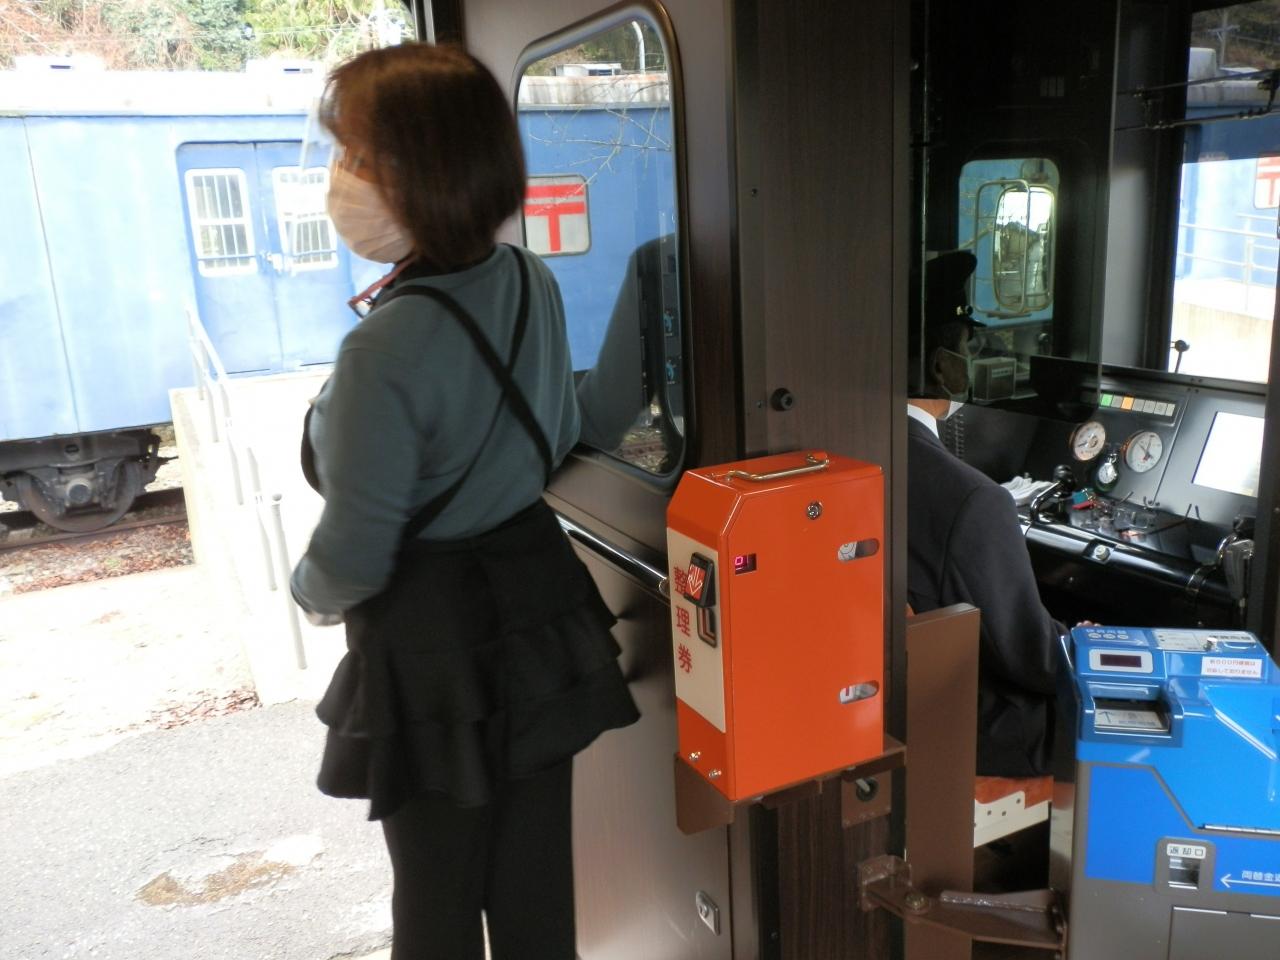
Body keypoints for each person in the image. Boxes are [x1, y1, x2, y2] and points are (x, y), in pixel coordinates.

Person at [289, 43, 640, 960]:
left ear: (428, 173)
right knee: (536, 887)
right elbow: (560, 430)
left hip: (429, 638)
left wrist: (307, 593)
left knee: (436, 899)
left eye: (357, 156)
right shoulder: (528, 279)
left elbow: (353, 552)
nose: (341, 178)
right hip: (537, 608)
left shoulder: (383, 347)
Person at [906, 250, 1062, 778]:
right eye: (968, 347)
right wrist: (1090, 643)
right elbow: (1034, 659)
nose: (972, 360)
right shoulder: (974, 500)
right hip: (961, 720)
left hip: (895, 696)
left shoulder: (849, 449)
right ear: (942, 367)